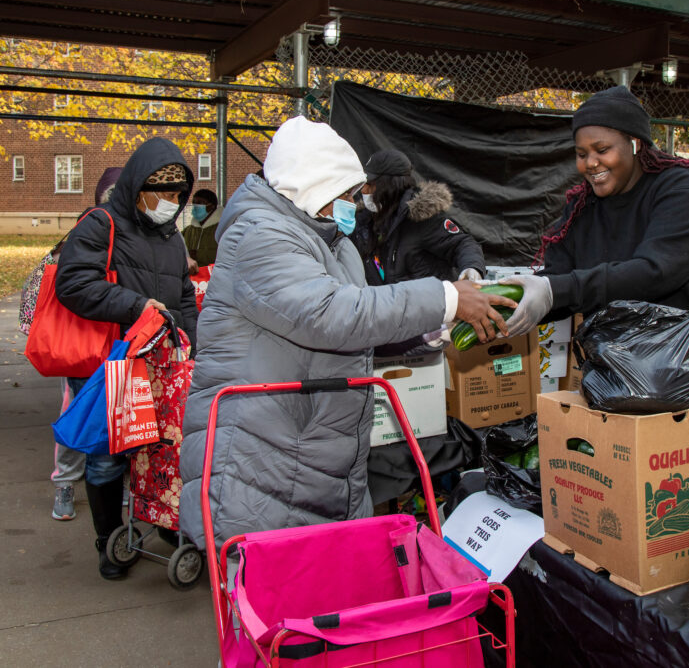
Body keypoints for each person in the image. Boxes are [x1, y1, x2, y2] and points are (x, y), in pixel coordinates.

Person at [177, 117, 515, 551]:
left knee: (331, 600)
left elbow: (357, 327)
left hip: (318, 458)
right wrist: (445, 298)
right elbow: (329, 314)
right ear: (313, 186)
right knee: (274, 600)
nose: (356, 204)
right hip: (262, 460)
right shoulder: (259, 235)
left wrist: (428, 332)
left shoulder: (332, 243)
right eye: (350, 194)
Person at [500, 85, 689, 382]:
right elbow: (560, 279)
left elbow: (653, 272)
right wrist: (493, 307)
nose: (590, 163)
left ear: (635, 143)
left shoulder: (680, 190)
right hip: (631, 376)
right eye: (581, 154)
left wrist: (554, 290)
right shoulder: (584, 207)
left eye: (602, 150)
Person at [55, 139, 198, 579]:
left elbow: (185, 297)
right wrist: (136, 306)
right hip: (111, 361)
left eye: (177, 196)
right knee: (106, 458)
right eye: (162, 194)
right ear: (137, 187)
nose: (170, 204)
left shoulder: (172, 237)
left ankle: (162, 524)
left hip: (160, 365)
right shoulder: (100, 224)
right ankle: (109, 538)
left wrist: (193, 345)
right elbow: (74, 283)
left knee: (158, 454)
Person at [24, 167, 122, 521]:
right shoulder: (87, 225)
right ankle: (65, 483)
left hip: (118, 344)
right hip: (82, 346)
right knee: (75, 415)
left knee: (116, 421)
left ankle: (114, 486)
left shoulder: (133, 229)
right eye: (109, 192)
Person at [353, 149, 485, 285]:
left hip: (431, 303)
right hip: (388, 303)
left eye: (370, 185)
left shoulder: (423, 219)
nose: (363, 190)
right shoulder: (364, 220)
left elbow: (461, 244)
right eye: (364, 184)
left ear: (390, 185)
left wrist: (472, 268)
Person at [182, 187, 220, 269]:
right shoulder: (188, 230)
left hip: (213, 277)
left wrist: (198, 254)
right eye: (194, 202)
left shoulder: (221, 229)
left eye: (200, 203)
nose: (195, 205)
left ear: (211, 206)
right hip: (191, 277)